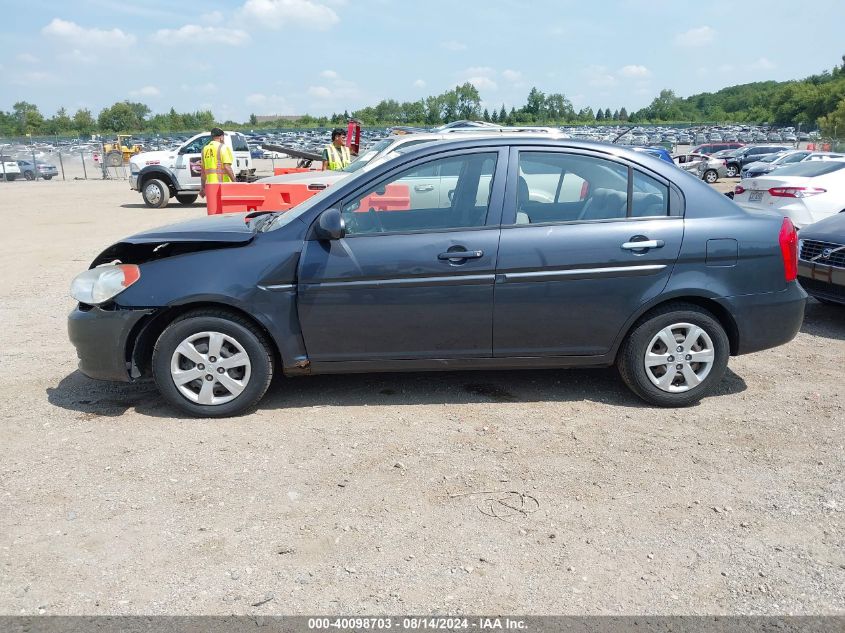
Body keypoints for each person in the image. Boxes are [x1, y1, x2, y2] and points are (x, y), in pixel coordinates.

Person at [199, 127, 235, 198]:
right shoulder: (223, 147)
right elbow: (227, 167)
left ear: (212, 137)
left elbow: (203, 171)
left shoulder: (204, 149)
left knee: (214, 207)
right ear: (221, 137)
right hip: (222, 185)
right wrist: (234, 182)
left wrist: (203, 187)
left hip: (210, 186)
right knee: (223, 207)